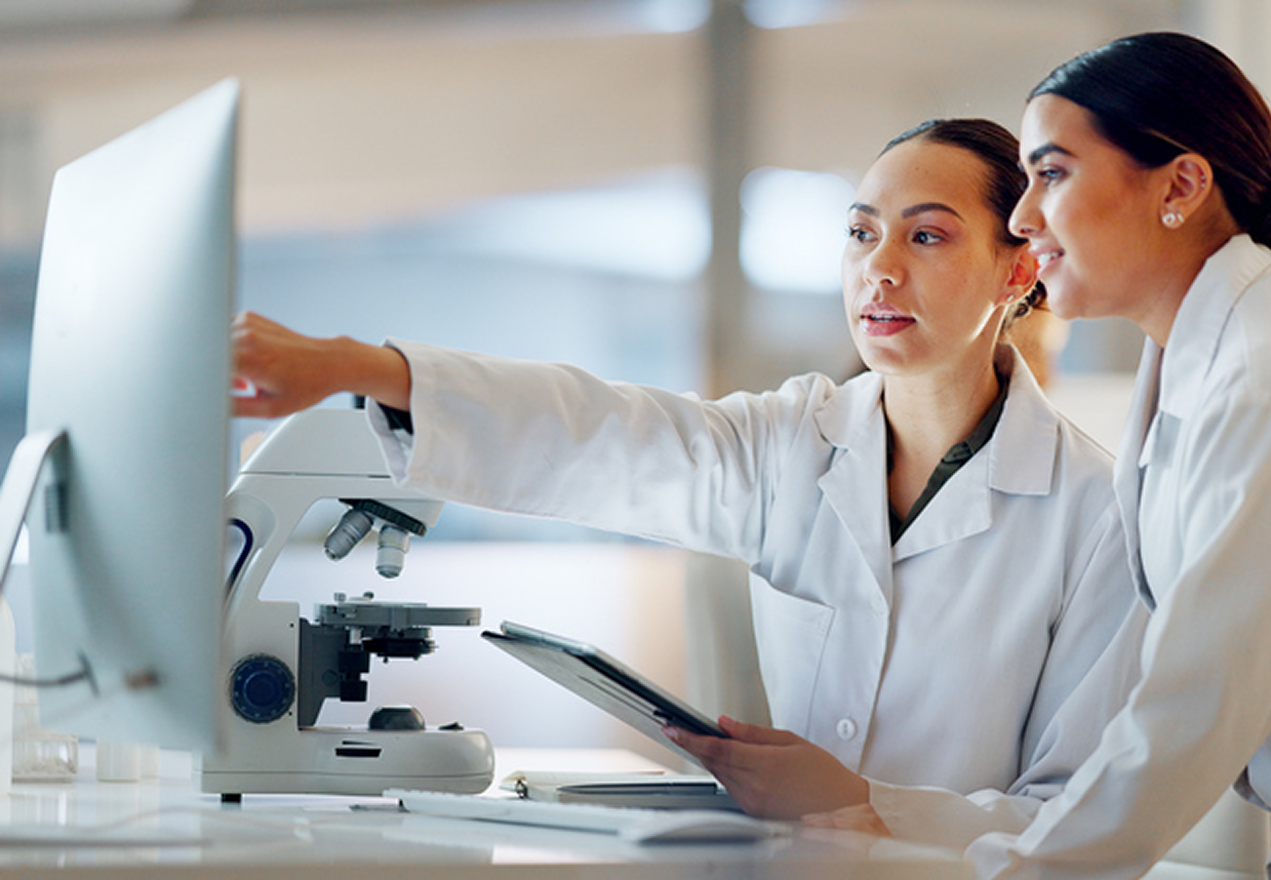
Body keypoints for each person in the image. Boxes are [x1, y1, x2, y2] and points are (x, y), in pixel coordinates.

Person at [231, 119, 1144, 842]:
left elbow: (1080, 820)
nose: (880, 268)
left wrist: (869, 804)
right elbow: (598, 434)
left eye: (928, 235)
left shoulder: (1096, 513)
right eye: (861, 233)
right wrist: (363, 367)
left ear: (1018, 267)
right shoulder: (791, 440)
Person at [815, 32, 1271, 877]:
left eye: (1051, 174)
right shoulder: (1191, 357)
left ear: (1180, 184)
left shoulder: (1255, 370)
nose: (1023, 218)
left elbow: (1197, 703)